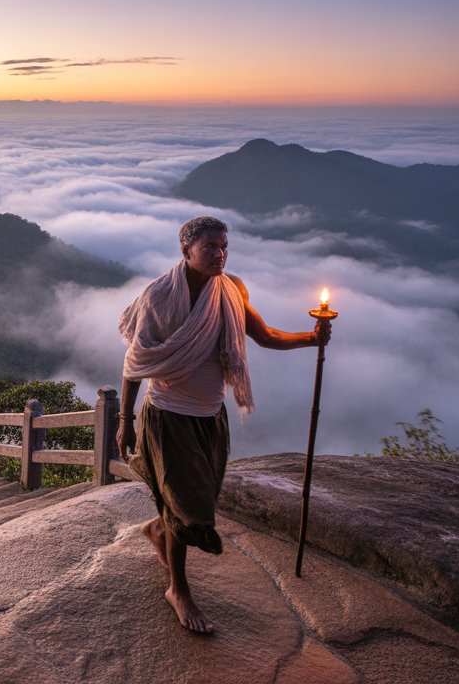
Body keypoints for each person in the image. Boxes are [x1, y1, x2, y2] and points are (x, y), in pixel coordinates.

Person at [116, 216, 330, 634]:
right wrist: (126, 419)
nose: (219, 253)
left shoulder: (231, 289)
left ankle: (158, 529)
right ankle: (178, 589)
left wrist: (311, 337)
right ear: (186, 251)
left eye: (224, 246)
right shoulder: (159, 297)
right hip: (169, 416)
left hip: (212, 416)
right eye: (210, 246)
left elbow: (263, 335)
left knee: (195, 502)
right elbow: (135, 363)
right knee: (188, 509)